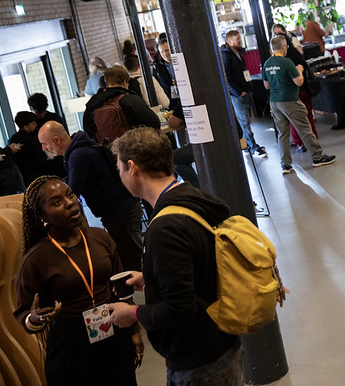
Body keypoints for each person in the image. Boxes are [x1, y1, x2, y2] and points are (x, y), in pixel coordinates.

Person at [106, 128, 245, 385]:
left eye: (120, 169)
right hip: (223, 341)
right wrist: (151, 277)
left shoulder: (164, 228)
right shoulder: (195, 198)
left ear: (133, 168)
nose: (121, 176)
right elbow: (200, 264)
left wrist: (133, 312)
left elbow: (179, 310)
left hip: (198, 360)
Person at [14, 176, 142, 386]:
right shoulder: (35, 259)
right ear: (41, 215)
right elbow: (24, 314)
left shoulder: (100, 237)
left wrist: (134, 331)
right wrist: (33, 319)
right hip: (71, 347)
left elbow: (121, 289)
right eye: (56, 202)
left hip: (113, 331)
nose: (70, 202)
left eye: (70, 194)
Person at [38, 121, 144, 271]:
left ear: (56, 140)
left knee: (134, 259)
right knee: (130, 256)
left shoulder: (77, 155)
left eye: (44, 144)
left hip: (119, 211)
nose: (44, 149)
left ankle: (154, 290)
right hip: (122, 207)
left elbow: (72, 190)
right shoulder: (79, 150)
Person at [263, 35, 336, 174]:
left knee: (282, 134)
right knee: (304, 129)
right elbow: (299, 82)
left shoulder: (267, 63)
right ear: (284, 47)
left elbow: (266, 85)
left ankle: (285, 164)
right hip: (290, 100)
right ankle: (318, 157)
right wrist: (300, 70)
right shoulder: (286, 62)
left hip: (275, 101)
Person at [83, 65, 161, 144]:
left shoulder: (93, 103)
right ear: (125, 81)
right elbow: (154, 124)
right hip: (132, 150)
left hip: (106, 152)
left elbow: (88, 132)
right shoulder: (131, 100)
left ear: (106, 82)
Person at [221, 30, 267, 157]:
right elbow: (226, 77)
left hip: (245, 91)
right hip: (238, 94)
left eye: (240, 39)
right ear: (229, 42)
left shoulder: (238, 52)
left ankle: (247, 145)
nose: (240, 42)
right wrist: (238, 92)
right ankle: (253, 146)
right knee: (245, 122)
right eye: (237, 40)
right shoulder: (226, 55)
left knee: (245, 121)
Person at [273, 23, 318, 152]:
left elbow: (298, 80)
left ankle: (302, 143)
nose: (277, 36)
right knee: (305, 117)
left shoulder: (283, 59)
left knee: (297, 119)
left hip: (296, 91)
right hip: (298, 90)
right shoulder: (291, 56)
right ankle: (310, 142)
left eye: (279, 34)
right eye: (275, 34)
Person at [10, 111, 49, 185]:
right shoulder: (30, 139)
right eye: (33, 123)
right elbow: (38, 156)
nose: (36, 125)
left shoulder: (14, 138)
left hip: (24, 174)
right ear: (25, 126)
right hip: (34, 173)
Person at [151, 33, 177, 100]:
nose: (165, 54)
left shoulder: (181, 62)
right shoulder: (158, 67)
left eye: (166, 50)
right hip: (171, 102)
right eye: (162, 52)